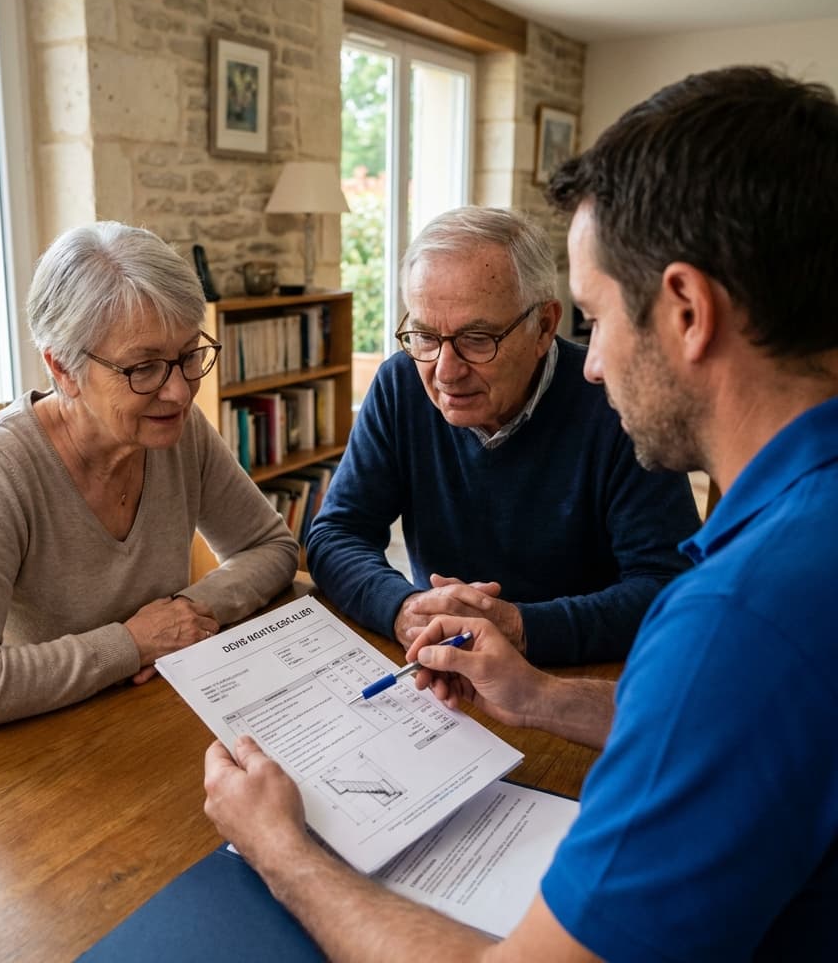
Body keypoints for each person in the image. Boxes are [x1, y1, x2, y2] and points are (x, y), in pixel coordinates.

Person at [203, 66, 838, 960]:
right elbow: (725, 728)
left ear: (688, 311)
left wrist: (281, 849)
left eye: (596, 315)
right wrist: (539, 695)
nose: (592, 362)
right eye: (425, 336)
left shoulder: (740, 619)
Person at [0, 222, 298, 746]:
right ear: (63, 369)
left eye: (187, 355)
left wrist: (186, 616)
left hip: (112, 710)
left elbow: (270, 546)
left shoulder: (178, 431)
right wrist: (132, 643)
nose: (179, 392)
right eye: (144, 368)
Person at [306, 205, 699, 665]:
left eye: (477, 338)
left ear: (544, 327)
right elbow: (336, 533)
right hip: (446, 665)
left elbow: (669, 585)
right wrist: (404, 608)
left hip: (585, 676)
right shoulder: (401, 384)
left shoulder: (616, 401)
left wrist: (518, 626)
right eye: (425, 336)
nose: (445, 372)